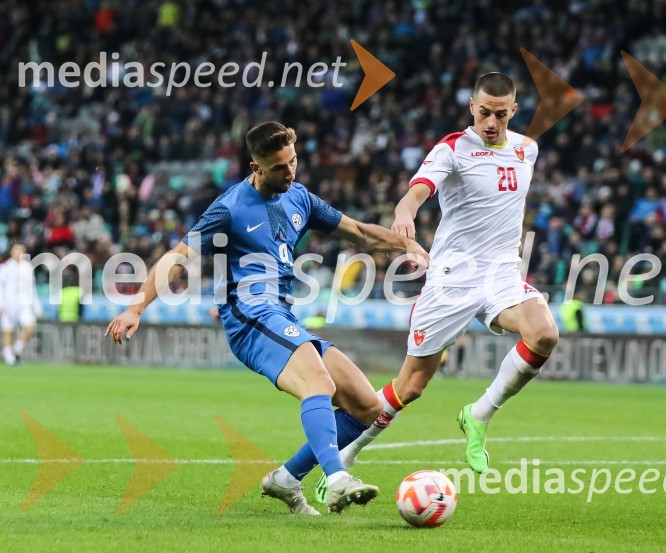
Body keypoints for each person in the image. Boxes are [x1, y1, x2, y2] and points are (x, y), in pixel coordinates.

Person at [105, 122, 429, 515]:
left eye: (293, 161)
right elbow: (178, 257)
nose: (291, 173)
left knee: (365, 406)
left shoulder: (300, 198)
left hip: (281, 315)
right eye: (280, 168)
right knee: (318, 382)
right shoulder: (229, 208)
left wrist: (407, 243)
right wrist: (136, 306)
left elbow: (360, 232)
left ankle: (287, 479)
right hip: (249, 319)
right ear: (256, 168)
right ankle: (338, 477)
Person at [316, 72, 559, 501]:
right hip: (452, 278)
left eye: (500, 114)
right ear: (472, 106)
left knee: (544, 333)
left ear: (513, 112)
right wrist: (406, 211)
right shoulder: (452, 148)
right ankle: (347, 454)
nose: (490, 122)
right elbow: (418, 190)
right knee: (409, 387)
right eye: (484, 112)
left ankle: (479, 414)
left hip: (501, 272)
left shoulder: (528, 149)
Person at [0, 244, 41, 365]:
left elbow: (32, 288)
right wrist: (1, 303)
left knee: (31, 326)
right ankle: (9, 356)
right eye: (17, 249)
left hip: (24, 305)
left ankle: (17, 349)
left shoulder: (27, 268)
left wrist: (36, 304)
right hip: (9, 305)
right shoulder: (5, 267)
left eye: (22, 250)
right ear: (12, 251)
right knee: (8, 330)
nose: (19, 252)